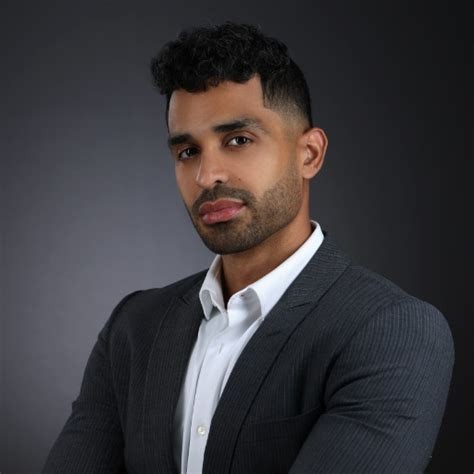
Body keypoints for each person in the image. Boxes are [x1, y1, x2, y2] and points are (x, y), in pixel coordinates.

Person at [42, 22, 454, 474]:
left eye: (238, 140)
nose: (207, 175)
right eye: (187, 151)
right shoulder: (134, 330)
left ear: (310, 154)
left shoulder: (391, 331)